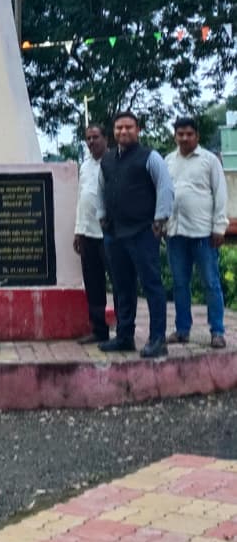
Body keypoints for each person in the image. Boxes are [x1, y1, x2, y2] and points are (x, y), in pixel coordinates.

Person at [97, 110, 174, 359]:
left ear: (138, 130)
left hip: (143, 231)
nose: (124, 131)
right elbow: (101, 189)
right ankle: (124, 336)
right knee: (122, 287)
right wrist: (101, 215)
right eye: (119, 128)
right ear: (114, 131)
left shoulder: (150, 157)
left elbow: (165, 187)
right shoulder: (107, 160)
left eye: (129, 127)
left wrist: (160, 218)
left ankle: (158, 339)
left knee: (151, 285)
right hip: (115, 232)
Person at [165, 117, 229, 349]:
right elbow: (163, 194)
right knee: (180, 284)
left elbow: (220, 194)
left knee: (211, 283)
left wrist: (219, 227)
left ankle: (217, 331)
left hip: (204, 233)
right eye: (180, 134)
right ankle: (182, 329)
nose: (184, 138)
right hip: (176, 232)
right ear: (175, 136)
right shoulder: (168, 161)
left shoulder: (209, 160)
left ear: (197, 136)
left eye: (189, 134)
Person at [73, 125, 111, 344]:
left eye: (95, 137)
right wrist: (78, 231)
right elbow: (81, 199)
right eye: (88, 138)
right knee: (93, 283)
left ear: (105, 139)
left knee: (118, 282)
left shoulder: (113, 162)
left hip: (109, 234)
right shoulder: (85, 166)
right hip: (88, 233)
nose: (91, 142)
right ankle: (98, 329)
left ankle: (125, 331)